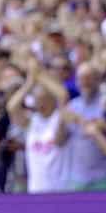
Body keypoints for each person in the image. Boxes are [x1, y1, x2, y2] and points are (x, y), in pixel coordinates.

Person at [7, 63, 70, 193]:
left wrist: (40, 76)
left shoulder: (59, 117)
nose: (41, 103)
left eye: (45, 99)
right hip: (36, 187)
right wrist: (29, 82)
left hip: (60, 187)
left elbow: (63, 95)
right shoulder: (32, 121)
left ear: (52, 100)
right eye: (38, 100)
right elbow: (12, 107)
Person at [62, 63, 106, 190]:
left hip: (102, 176)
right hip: (76, 177)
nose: (85, 82)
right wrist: (62, 121)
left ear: (98, 80)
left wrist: (81, 120)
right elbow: (59, 140)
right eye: (81, 78)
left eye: (89, 78)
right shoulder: (72, 106)